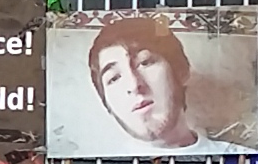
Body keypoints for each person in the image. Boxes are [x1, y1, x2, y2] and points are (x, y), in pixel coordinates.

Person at [83, 14, 204, 150]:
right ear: (107, 105)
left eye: (145, 62)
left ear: (182, 70)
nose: (134, 85)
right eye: (114, 78)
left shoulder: (230, 155)